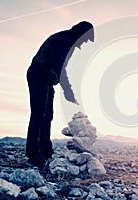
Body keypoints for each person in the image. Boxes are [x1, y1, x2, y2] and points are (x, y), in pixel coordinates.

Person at [25, 21, 94, 168]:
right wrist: (68, 92)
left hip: (46, 79)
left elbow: (58, 68)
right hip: (38, 76)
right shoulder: (64, 41)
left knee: (47, 114)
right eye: (85, 38)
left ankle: (45, 151)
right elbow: (60, 68)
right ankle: (33, 155)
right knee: (38, 114)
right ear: (80, 34)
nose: (84, 42)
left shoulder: (67, 41)